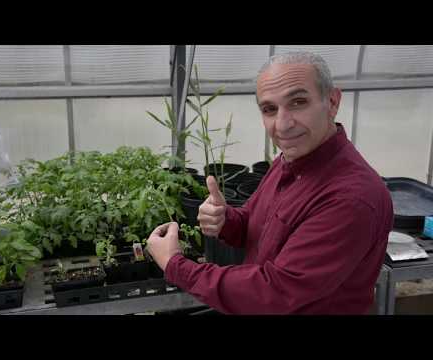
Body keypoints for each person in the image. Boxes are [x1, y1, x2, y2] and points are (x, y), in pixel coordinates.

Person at [146, 51, 393, 314]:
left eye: (298, 102)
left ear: (332, 102)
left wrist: (175, 264)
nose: (283, 125)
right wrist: (226, 220)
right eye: (269, 109)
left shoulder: (351, 198)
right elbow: (256, 224)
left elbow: (275, 292)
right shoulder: (291, 159)